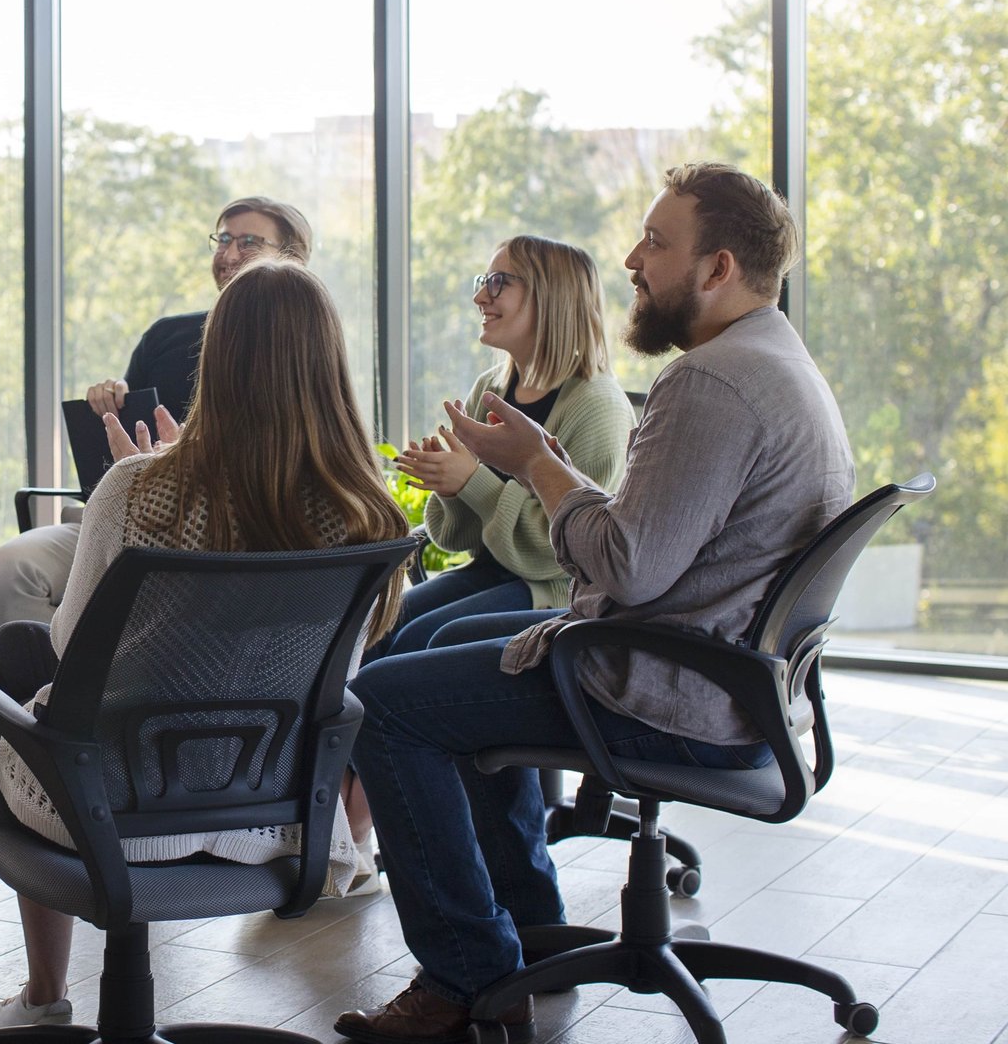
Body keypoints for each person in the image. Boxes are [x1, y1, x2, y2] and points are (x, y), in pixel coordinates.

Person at [332, 163, 854, 1044]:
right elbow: (643, 553)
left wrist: (537, 465)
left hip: (666, 688)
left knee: (381, 704)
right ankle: (527, 926)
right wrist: (530, 461)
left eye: (656, 241)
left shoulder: (712, 385)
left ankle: (467, 973)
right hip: (721, 678)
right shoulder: (776, 361)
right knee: (430, 661)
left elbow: (625, 567)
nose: (631, 258)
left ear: (717, 267)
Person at [0, 261, 413, 1030]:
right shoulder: (369, 512)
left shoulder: (137, 488)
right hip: (275, 817)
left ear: (217, 361)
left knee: (21, 657)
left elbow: (75, 650)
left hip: (112, 811)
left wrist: (153, 478)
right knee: (19, 654)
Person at [0, 196, 315, 627]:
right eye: (223, 239)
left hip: (229, 529)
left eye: (248, 242)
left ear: (293, 259)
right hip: (134, 512)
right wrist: (112, 401)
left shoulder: (306, 357)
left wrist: (186, 472)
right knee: (5, 570)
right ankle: (63, 684)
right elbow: (118, 453)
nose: (229, 255)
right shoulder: (165, 336)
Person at [387, 236, 635, 649]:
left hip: (556, 594)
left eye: (499, 281)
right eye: (485, 279)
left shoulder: (597, 406)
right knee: (379, 624)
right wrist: (450, 486)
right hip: (492, 573)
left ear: (551, 297)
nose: (479, 295)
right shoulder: (490, 388)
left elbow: (561, 555)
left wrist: (472, 482)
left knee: (421, 639)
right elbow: (454, 538)